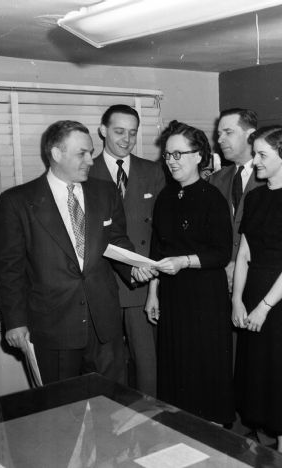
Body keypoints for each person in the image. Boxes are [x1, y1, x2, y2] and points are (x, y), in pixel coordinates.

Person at [0, 120, 155, 385]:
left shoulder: (105, 192)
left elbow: (117, 241)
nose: (91, 160)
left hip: (104, 325)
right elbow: (9, 270)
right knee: (59, 411)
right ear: (56, 154)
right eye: (82, 153)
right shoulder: (16, 202)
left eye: (90, 152)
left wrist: (134, 266)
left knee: (112, 406)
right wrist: (15, 321)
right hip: (53, 327)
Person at [144, 120, 235, 425]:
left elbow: (221, 253)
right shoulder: (165, 198)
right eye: (168, 155)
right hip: (172, 295)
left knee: (204, 366)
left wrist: (184, 261)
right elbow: (157, 249)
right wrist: (153, 293)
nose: (172, 161)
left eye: (178, 154)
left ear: (198, 156)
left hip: (204, 296)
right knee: (176, 365)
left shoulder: (212, 198)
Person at [232, 126, 282, 459]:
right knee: (261, 377)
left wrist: (264, 307)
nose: (255, 160)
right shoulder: (254, 197)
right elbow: (244, 255)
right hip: (252, 297)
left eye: (262, 154)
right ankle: (279, 449)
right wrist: (237, 300)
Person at [89, 104, 165, 396]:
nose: (127, 139)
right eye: (119, 131)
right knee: (106, 367)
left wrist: (154, 284)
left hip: (141, 284)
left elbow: (160, 234)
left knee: (148, 366)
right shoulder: (87, 171)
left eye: (132, 133)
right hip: (101, 285)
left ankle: (152, 426)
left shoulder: (152, 171)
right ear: (102, 131)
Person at [209, 108, 264, 291]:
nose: (220, 140)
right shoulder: (216, 180)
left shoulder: (272, 177)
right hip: (222, 278)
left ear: (251, 135)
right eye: (219, 134)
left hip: (260, 279)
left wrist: (239, 265)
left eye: (228, 132)